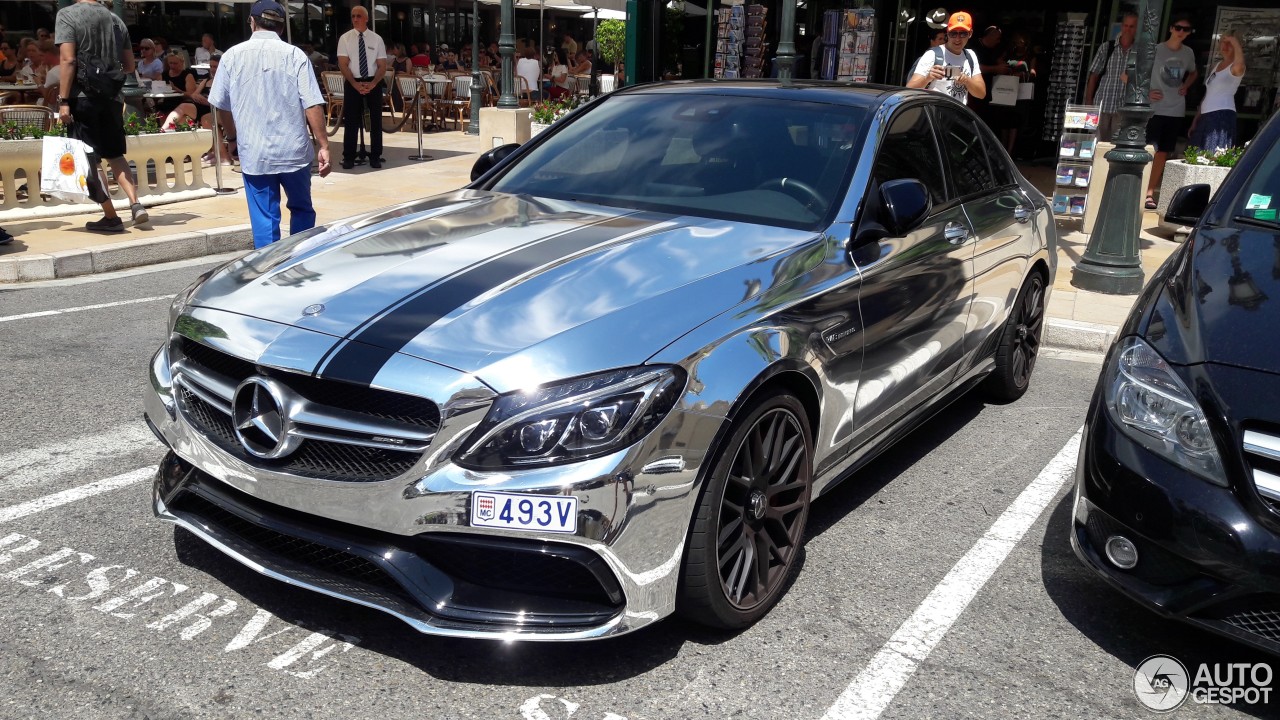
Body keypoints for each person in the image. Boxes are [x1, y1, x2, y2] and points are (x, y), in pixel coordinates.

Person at [209, 0, 330, 249]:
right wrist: (324, 144)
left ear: (251, 22)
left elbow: (221, 105)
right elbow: (313, 104)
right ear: (281, 28)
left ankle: (267, 271)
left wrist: (231, 138)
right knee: (302, 209)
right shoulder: (295, 55)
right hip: (293, 150)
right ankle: (300, 257)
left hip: (255, 151)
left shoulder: (232, 56)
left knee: (265, 218)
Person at [56, 0, 147, 232]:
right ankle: (135, 204)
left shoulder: (67, 15)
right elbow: (128, 65)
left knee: (91, 160)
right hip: (112, 97)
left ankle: (111, 216)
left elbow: (68, 59)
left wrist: (64, 101)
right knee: (116, 155)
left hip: (83, 97)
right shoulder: (116, 20)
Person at [1144, 15, 1198, 210]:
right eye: (1178, 27)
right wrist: (1147, 92)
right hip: (1155, 108)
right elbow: (1131, 75)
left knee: (1163, 151)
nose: (1181, 32)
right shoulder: (1155, 50)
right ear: (1170, 28)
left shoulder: (1188, 53)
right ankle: (1139, 188)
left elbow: (1194, 72)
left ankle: (1149, 193)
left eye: (1186, 29)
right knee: (1150, 148)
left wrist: (1186, 85)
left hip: (1175, 108)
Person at [337, 4, 386, 169]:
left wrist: (373, 84)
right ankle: (349, 156)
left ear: (366, 18)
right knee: (351, 121)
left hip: (372, 81)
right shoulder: (345, 39)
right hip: (353, 82)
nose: (355, 19)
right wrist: (354, 84)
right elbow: (343, 64)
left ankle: (376, 156)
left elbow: (382, 65)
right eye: (353, 16)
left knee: (376, 121)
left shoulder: (376, 39)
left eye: (358, 16)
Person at [906, 12, 985, 104]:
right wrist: (928, 78)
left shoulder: (970, 55)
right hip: (935, 113)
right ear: (947, 32)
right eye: (953, 33)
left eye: (963, 33)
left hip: (958, 114)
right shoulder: (932, 54)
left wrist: (967, 80)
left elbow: (981, 94)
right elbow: (909, 89)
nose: (957, 39)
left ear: (970, 33)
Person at [1084, 11, 1137, 141]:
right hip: (1102, 102)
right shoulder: (1106, 47)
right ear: (1121, 26)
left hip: (1123, 108)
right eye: (1126, 25)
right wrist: (1089, 101)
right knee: (1095, 142)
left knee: (1116, 145)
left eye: (1132, 26)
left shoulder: (1138, 52)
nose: (1128, 29)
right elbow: (1094, 75)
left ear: (1136, 29)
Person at [1191, 34, 1246, 153]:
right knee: (1197, 152)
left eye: (1229, 44)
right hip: (1206, 114)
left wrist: (1235, 41)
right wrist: (1196, 119)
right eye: (1222, 42)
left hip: (1222, 113)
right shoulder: (1216, 66)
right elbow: (1208, 94)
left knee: (1212, 153)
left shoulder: (1236, 67)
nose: (1225, 46)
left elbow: (1240, 64)